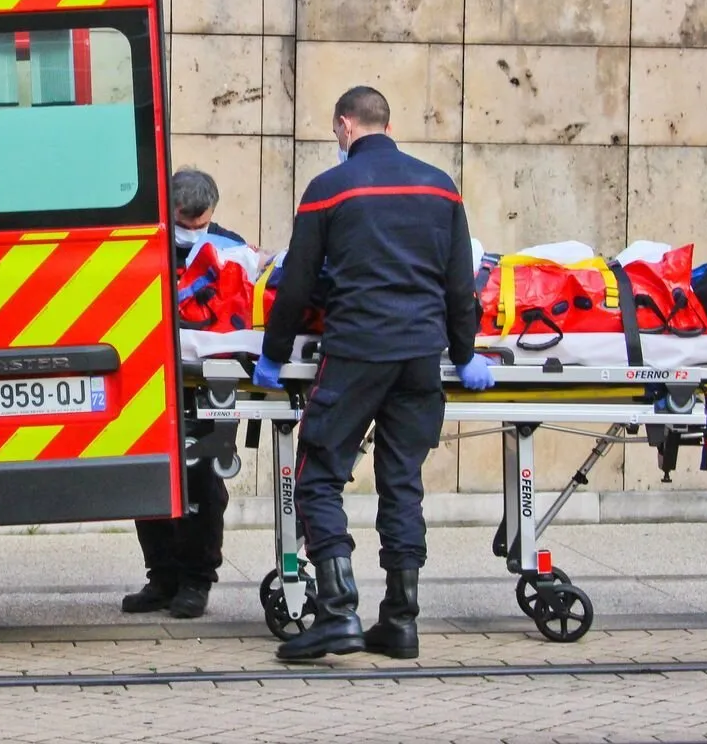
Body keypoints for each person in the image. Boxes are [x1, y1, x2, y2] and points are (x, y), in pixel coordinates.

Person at [251, 86, 494, 662]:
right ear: (387, 122)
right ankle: (400, 621)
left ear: (345, 125)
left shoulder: (328, 190)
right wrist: (464, 352)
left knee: (317, 475)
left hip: (358, 350)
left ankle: (337, 614)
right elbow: (461, 284)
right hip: (420, 356)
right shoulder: (442, 187)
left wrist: (273, 354)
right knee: (402, 482)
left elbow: (299, 281)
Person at [121, 167, 239, 619]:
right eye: (183, 224)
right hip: (154, 380)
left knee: (203, 481)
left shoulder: (228, 246)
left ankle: (196, 579)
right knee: (147, 475)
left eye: (199, 223)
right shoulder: (144, 243)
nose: (192, 232)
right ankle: (162, 576)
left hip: (212, 381)